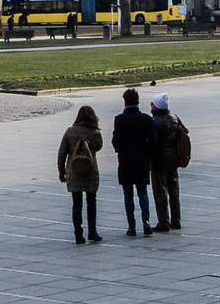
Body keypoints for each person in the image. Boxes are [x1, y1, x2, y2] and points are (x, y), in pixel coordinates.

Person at [57, 105, 104, 244]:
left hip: (74, 171)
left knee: (76, 203)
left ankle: (78, 234)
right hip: (90, 171)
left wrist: (61, 171)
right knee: (91, 201)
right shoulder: (95, 133)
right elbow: (99, 147)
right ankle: (92, 231)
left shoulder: (70, 132)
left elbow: (62, 153)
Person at [110, 89, 154, 237]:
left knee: (128, 194)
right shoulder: (147, 119)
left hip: (126, 160)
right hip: (142, 160)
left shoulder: (119, 119)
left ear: (125, 102)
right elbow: (152, 141)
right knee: (143, 192)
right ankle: (146, 221)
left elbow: (116, 141)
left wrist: (121, 150)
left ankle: (131, 226)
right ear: (138, 102)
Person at [148, 92, 185, 232]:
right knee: (174, 191)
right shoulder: (174, 118)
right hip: (173, 160)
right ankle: (176, 220)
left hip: (159, 162)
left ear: (156, 106)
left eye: (152, 103)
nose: (150, 105)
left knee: (160, 192)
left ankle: (163, 221)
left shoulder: (155, 122)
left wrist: (149, 160)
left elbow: (152, 143)